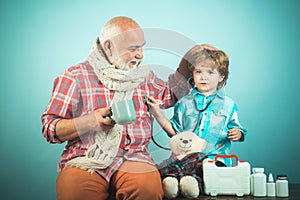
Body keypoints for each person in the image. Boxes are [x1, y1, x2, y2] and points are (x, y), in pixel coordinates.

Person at [41, 16, 214, 200]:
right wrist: (90, 121)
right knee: (75, 194)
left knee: (148, 191)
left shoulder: (143, 75)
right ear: (108, 47)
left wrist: (187, 62)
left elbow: (167, 95)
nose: (140, 55)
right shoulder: (74, 76)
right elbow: (51, 129)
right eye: (133, 49)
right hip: (86, 158)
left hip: (135, 157)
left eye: (141, 47)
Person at [147, 47, 247, 167]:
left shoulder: (228, 105)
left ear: (221, 76)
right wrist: (157, 113)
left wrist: (238, 134)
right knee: (170, 176)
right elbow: (175, 133)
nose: (203, 77)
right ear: (192, 74)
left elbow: (238, 129)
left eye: (210, 72)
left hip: (216, 161)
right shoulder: (184, 102)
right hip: (187, 159)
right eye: (198, 72)